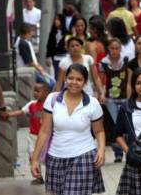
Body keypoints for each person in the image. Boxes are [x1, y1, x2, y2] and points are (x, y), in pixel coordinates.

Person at [31, 64, 106, 195]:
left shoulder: (93, 103)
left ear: (85, 82)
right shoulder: (52, 99)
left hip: (83, 157)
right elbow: (44, 131)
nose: (74, 82)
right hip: (55, 158)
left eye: (79, 79)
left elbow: (99, 131)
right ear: (65, 78)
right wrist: (35, 160)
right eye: (71, 78)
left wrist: (101, 149)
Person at [6, 82, 50, 185]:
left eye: (38, 91)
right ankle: (38, 177)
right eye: (34, 90)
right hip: (33, 136)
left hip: (46, 137)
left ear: (46, 93)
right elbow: (21, 112)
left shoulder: (49, 105)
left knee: (48, 157)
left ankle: (52, 176)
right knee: (32, 156)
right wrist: (9, 114)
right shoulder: (32, 104)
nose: (35, 93)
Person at [99, 38, 129, 162]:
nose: (114, 51)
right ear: (108, 49)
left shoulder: (126, 61)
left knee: (126, 124)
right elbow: (101, 80)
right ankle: (118, 153)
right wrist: (101, 93)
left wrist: (129, 96)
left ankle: (128, 149)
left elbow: (129, 80)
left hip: (124, 97)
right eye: (112, 48)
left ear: (120, 49)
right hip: (110, 98)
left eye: (117, 48)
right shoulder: (104, 63)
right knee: (115, 125)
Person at [55, 37, 105, 102]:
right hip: (70, 93)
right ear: (68, 48)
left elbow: (96, 78)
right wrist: (55, 97)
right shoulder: (64, 62)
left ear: (81, 47)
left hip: (87, 92)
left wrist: (101, 93)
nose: (75, 48)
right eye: (72, 46)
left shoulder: (88, 59)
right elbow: (59, 82)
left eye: (77, 45)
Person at [14, 23, 55, 90]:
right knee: (51, 83)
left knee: (51, 81)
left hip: (32, 70)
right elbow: (30, 62)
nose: (32, 34)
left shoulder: (22, 40)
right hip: (29, 71)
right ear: (27, 32)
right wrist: (41, 70)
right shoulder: (23, 44)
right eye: (32, 32)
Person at [46, 14, 68, 79]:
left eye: (58, 19)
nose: (56, 21)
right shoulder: (52, 32)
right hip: (55, 56)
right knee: (57, 73)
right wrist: (48, 56)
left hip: (64, 56)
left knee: (65, 74)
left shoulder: (66, 32)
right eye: (55, 19)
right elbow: (49, 45)